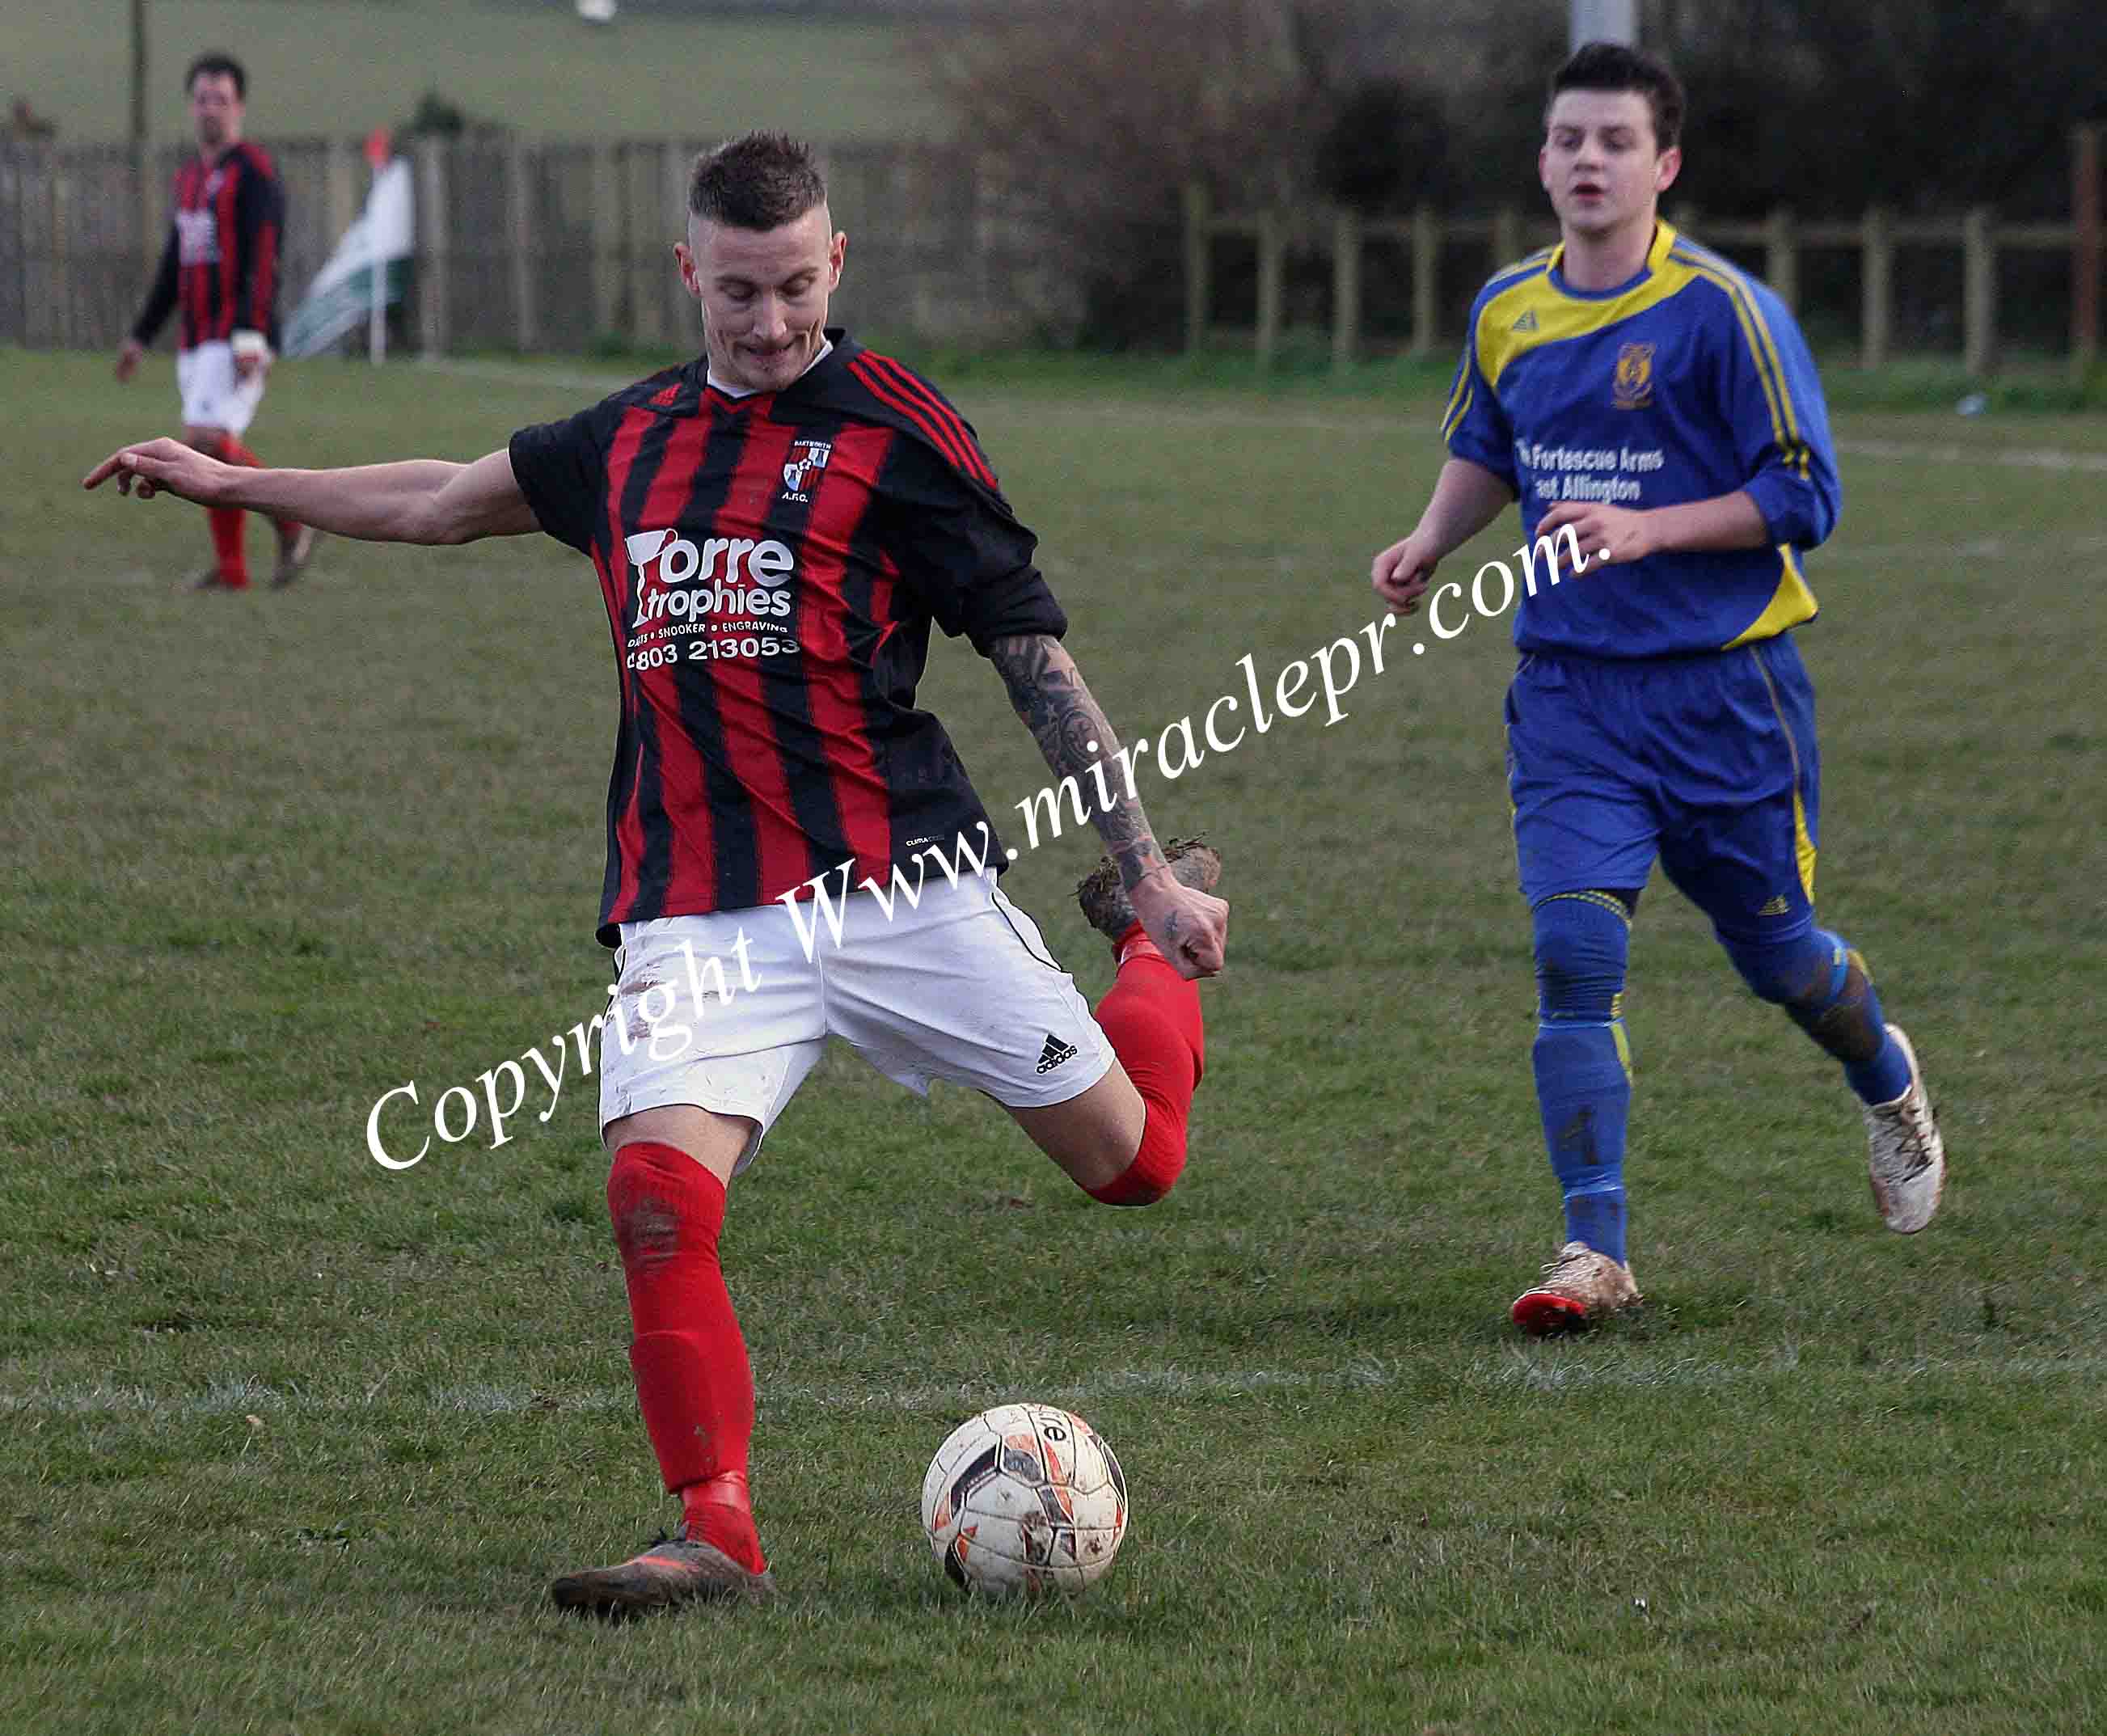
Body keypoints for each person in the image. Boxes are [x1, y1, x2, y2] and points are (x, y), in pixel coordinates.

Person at [89, 131, 1227, 1610]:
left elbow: (1030, 655)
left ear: (838, 267)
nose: (770, 325)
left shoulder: (897, 432)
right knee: (651, 1192)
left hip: (898, 884)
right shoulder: (624, 443)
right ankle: (714, 1528)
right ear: (688, 273)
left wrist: (1139, 875)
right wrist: (237, 486)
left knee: (1134, 1164)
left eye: (798, 288)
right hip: (697, 911)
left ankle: (1145, 967)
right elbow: (440, 497)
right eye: (740, 292)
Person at [1369, 43, 1944, 1335]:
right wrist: (1429, 539)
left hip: (1725, 696)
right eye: (1566, 137)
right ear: (1540, 159)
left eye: (1614, 141)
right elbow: (1485, 445)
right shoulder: (1507, 308)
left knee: (1782, 956)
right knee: (1573, 945)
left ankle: (1885, 1074)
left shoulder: (1724, 312)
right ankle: (1594, 1248)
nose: (1586, 159)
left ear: (1663, 165)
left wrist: (1649, 527)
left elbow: (1807, 497)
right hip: (1572, 691)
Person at [116, 51, 314, 591]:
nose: (211, 108)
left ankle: (292, 519)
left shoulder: (253, 172)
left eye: (221, 99)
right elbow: (172, 265)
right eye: (203, 98)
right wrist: (140, 334)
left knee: (203, 442)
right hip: (195, 335)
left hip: (235, 333)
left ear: (240, 107)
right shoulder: (191, 178)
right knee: (207, 448)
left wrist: (251, 333)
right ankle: (233, 569)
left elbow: (264, 256)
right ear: (191, 105)